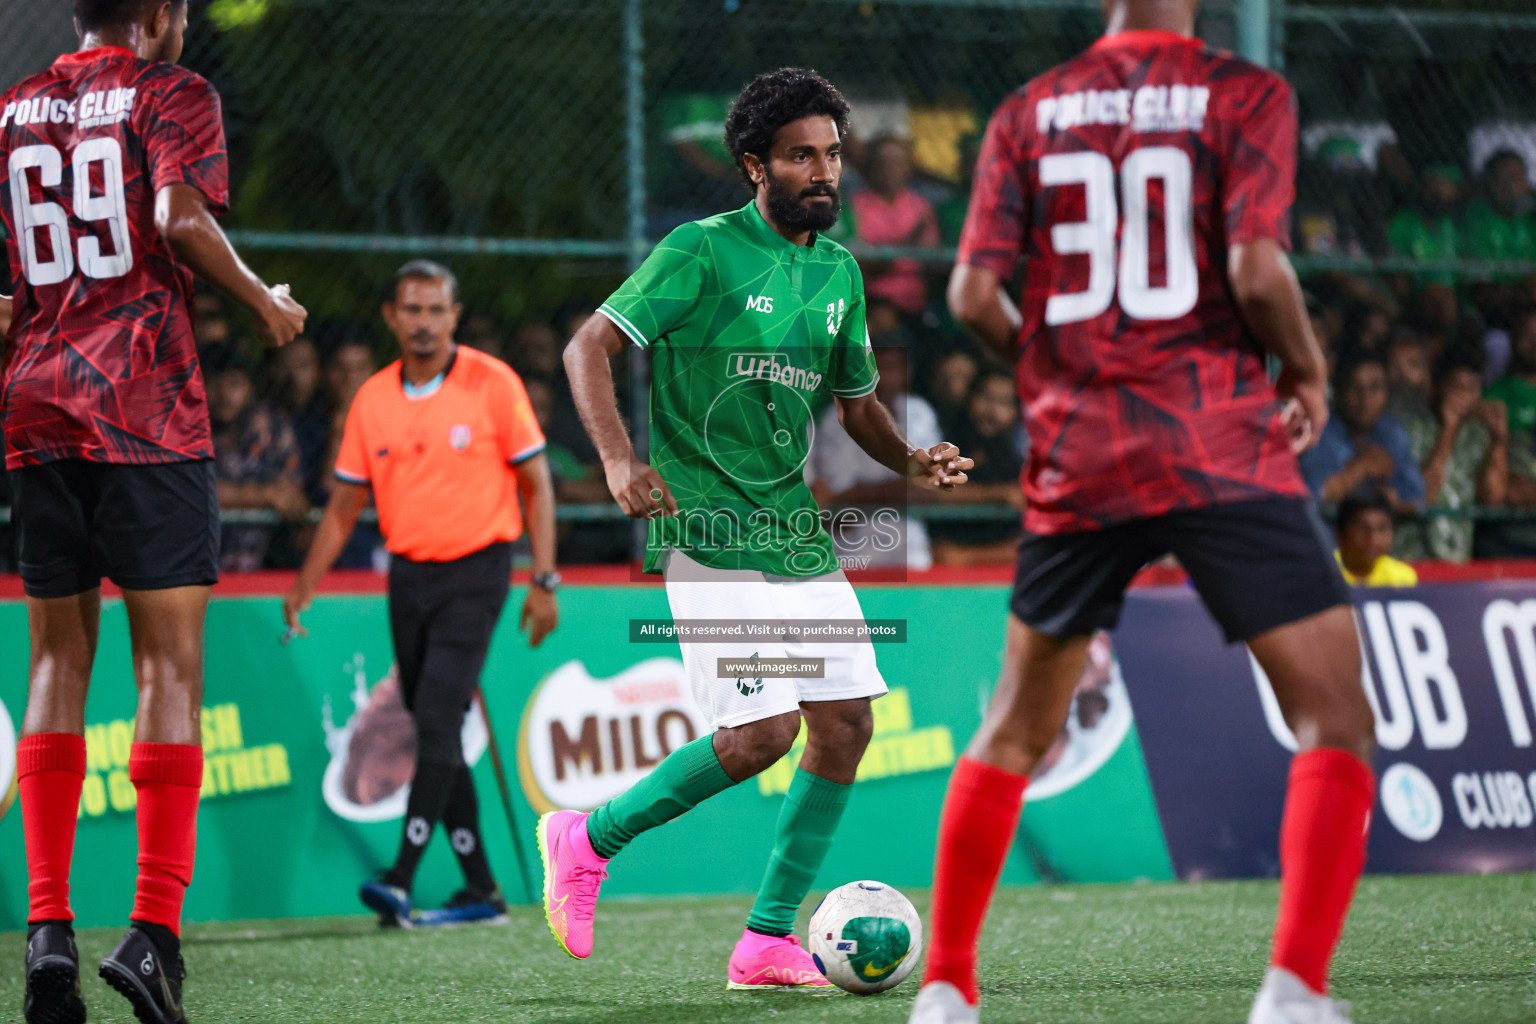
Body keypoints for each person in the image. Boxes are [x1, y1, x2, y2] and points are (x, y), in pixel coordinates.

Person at [915, 2, 1379, 1022]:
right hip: (1217, 435)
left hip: (1083, 447)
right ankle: (1294, 991)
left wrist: (1055, 372)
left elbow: (969, 294)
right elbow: (1258, 272)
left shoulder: (1026, 110)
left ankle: (945, 990)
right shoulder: (1243, 92)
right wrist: (1305, 367)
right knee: (1334, 713)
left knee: (1011, 726)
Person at [551, 67, 972, 989]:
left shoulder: (840, 271)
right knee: (760, 737)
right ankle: (585, 838)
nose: (824, 173)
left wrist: (912, 461)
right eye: (800, 157)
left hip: (796, 537)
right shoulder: (700, 251)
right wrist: (622, 460)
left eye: (831, 155)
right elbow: (591, 346)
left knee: (847, 726)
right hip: (706, 534)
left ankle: (765, 941)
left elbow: (858, 407)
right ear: (755, 166)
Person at [0, 2, 307, 1022]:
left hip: (34, 406)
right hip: (144, 407)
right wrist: (264, 300)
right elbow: (178, 219)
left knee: (55, 662)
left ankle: (47, 931)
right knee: (167, 667)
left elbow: (5, 296)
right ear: (161, 15)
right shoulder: (171, 92)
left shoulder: (12, 112)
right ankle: (152, 935)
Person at [282, 260, 558, 928]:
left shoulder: (492, 384)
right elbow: (344, 508)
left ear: (455, 317)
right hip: (408, 577)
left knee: (434, 715)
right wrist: (305, 583)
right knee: (434, 722)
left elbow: (537, 485)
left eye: (437, 310)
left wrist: (543, 578)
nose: (425, 322)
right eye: (413, 310)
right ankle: (482, 890)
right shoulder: (372, 399)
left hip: (479, 570)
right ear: (391, 317)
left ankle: (400, 878)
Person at [205, 344, 310, 571]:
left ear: (250, 387)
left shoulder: (270, 425)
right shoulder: (183, 427)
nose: (224, 395)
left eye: (234, 384)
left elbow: (291, 494)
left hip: (262, 561)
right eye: (214, 384)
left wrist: (278, 497)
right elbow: (194, 492)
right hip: (199, 562)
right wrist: (264, 495)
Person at [1394, 353, 1508, 563]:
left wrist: (1498, 441)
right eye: (1456, 387)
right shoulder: (1408, 429)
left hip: (1458, 563)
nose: (1463, 395)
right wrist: (1448, 431)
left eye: (1471, 388)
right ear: (1436, 387)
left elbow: (1493, 500)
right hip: (1410, 560)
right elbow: (1421, 497)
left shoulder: (1479, 435)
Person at [1299, 353, 1425, 514]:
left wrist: (1389, 500)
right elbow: (1311, 499)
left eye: (1375, 387)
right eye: (1354, 387)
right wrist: (1360, 468)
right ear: (1338, 391)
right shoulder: (1319, 431)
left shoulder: (1392, 431)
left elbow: (1417, 499)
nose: (1365, 398)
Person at [850, 135, 941, 315]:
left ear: (908, 167)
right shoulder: (854, 206)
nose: (889, 169)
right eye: (882, 163)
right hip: (871, 301)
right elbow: (860, 267)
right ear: (870, 167)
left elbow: (931, 260)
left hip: (917, 301)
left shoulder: (920, 206)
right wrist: (906, 245)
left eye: (897, 162)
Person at [1335, 492, 1418, 586]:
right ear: (1341, 534)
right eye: (1363, 528)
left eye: (1382, 529)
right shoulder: (1322, 571)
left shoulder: (1403, 578)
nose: (1373, 540)